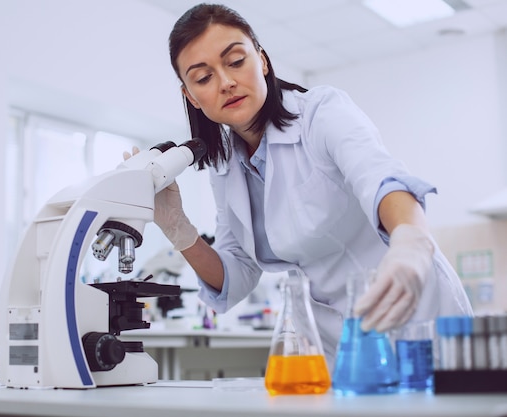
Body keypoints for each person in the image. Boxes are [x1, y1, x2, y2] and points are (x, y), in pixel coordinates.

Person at [125, 3, 472, 366]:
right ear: (192, 97)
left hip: (416, 317)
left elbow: (379, 177)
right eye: (203, 77)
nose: (225, 82)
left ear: (262, 61)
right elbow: (237, 273)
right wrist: (179, 230)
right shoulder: (226, 164)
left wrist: (411, 244)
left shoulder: (321, 113)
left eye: (235, 61)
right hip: (339, 347)